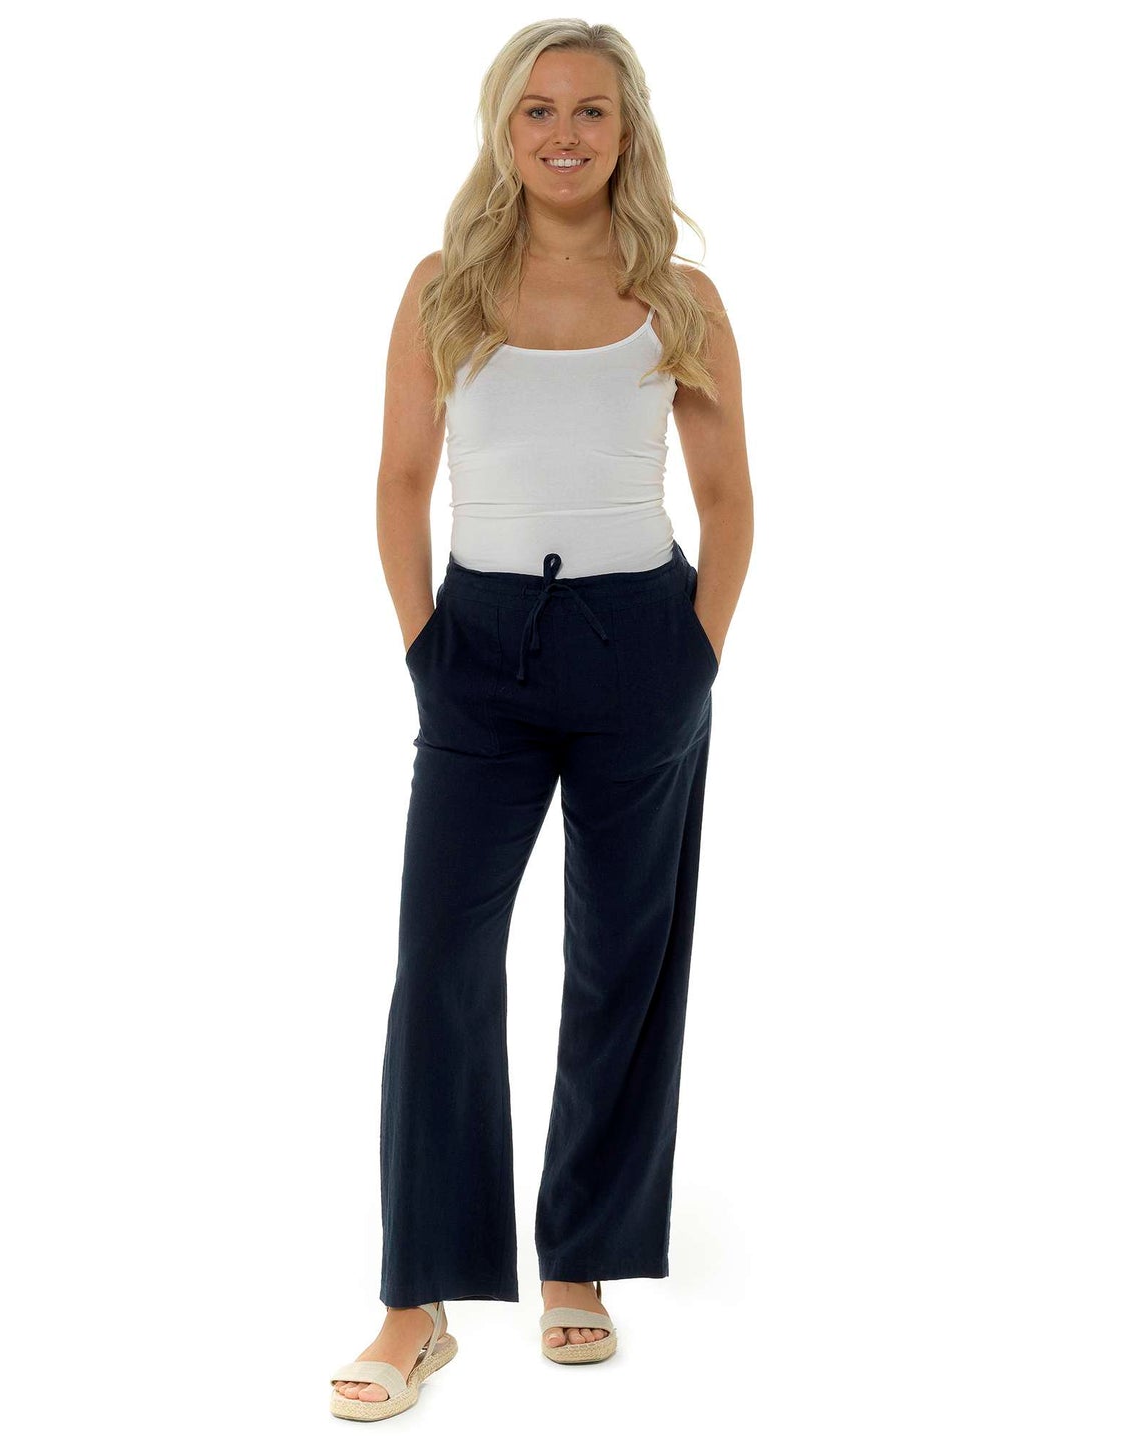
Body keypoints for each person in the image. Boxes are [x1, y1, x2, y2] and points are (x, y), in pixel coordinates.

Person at [330, 20, 753, 1421]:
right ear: (502, 129)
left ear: (627, 131)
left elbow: (729, 494)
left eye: (590, 110)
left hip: (643, 646)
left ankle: (580, 1255)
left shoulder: (678, 293)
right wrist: (424, 649)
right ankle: (416, 1302)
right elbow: (399, 481)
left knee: (622, 959)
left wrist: (693, 656)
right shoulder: (443, 284)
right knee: (440, 962)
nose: (563, 134)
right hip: (480, 648)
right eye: (537, 110)